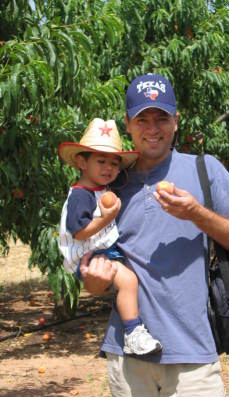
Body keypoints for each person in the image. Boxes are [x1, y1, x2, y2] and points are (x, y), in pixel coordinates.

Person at [80, 74, 229, 397]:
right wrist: (95, 277)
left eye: (161, 118)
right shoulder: (109, 184)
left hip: (190, 356)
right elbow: (95, 284)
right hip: (128, 359)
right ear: (127, 125)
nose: (152, 129)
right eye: (142, 119)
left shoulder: (203, 170)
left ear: (176, 121)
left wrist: (197, 214)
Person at [58, 118, 162, 356]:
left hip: (101, 249)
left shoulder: (99, 189)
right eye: (101, 161)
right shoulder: (81, 196)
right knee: (128, 281)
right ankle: (133, 332)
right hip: (89, 254)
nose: (109, 168)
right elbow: (79, 231)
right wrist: (105, 219)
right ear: (81, 162)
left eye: (115, 164)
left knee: (131, 279)